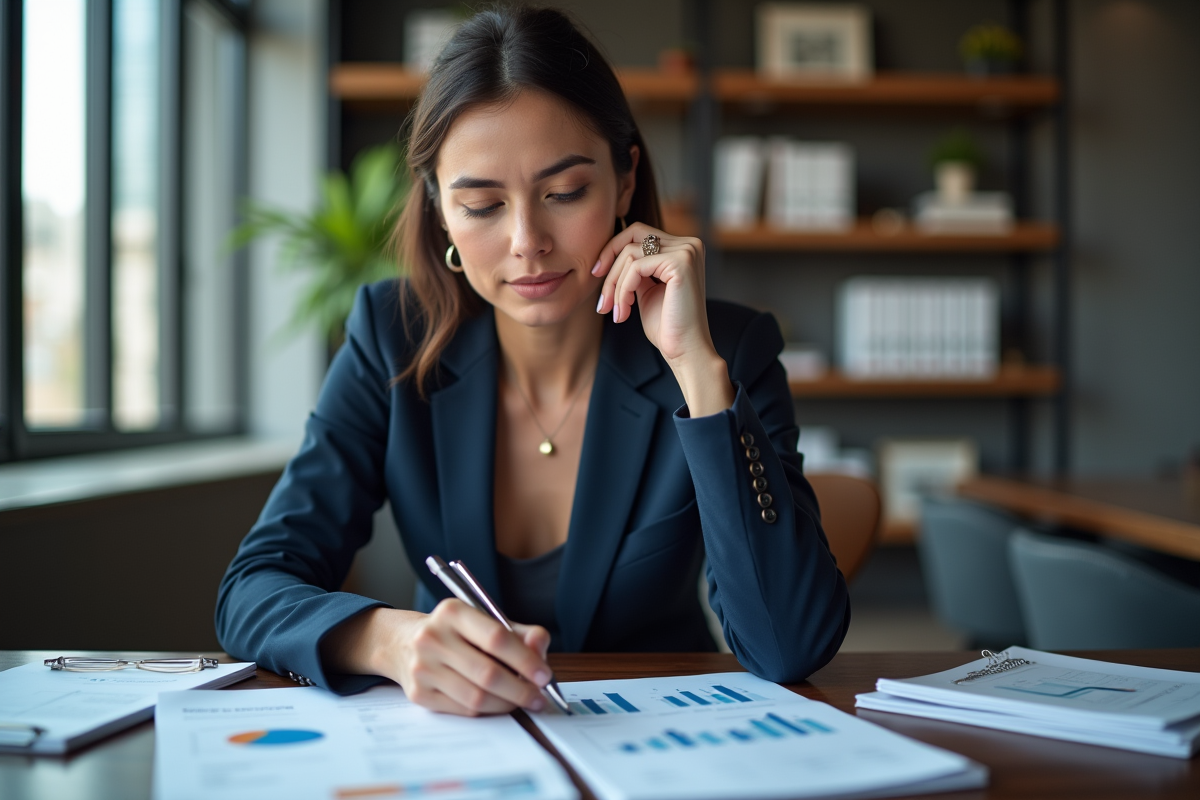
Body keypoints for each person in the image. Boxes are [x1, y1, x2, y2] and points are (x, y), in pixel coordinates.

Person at [216, 5, 849, 717]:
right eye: (482, 204)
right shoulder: (391, 336)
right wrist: (392, 641)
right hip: (464, 750)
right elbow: (254, 587)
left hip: (662, 740)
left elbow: (789, 644)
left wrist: (695, 370)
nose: (526, 241)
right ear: (439, 210)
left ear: (624, 178)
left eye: (564, 193)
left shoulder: (726, 347)